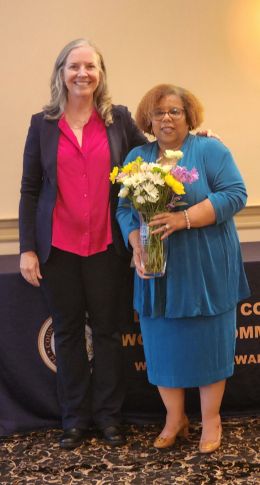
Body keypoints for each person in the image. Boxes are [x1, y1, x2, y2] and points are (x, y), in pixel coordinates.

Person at [19, 38, 147, 449]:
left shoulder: (118, 119)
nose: (82, 74)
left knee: (109, 333)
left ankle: (109, 417)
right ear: (62, 72)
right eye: (74, 66)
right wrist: (27, 247)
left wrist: (193, 139)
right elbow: (30, 189)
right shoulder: (42, 124)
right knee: (69, 333)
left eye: (90, 66)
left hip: (107, 247)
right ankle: (74, 418)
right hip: (58, 249)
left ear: (100, 73)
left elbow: (150, 157)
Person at [116, 84, 250, 453]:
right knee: (162, 348)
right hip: (157, 271)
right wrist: (137, 242)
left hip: (206, 268)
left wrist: (183, 219)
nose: (166, 118)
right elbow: (125, 209)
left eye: (174, 111)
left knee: (210, 346)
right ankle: (175, 419)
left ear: (189, 116)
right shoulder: (137, 158)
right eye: (159, 113)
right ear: (148, 119)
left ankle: (211, 421)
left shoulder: (210, 150)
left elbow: (235, 194)